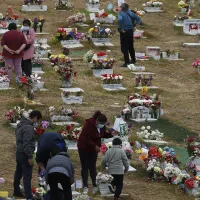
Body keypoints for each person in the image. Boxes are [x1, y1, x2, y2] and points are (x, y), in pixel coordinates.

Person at [77, 111, 117, 194]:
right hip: (83, 147)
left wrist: (111, 134)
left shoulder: (101, 126)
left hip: (93, 149)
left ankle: (94, 184)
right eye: (101, 123)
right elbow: (86, 138)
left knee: (92, 167)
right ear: (97, 121)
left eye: (103, 124)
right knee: (85, 166)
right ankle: (85, 186)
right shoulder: (89, 124)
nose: (102, 125)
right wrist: (95, 146)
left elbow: (102, 135)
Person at [13, 110, 42, 200]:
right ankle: (29, 196)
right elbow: (27, 143)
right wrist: (30, 157)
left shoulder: (20, 124)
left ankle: (17, 190)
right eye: (37, 120)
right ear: (35, 118)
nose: (37, 122)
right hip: (25, 154)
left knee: (18, 172)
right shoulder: (29, 128)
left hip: (19, 152)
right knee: (27, 175)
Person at [118, 3, 142, 67]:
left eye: (120, 7)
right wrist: (134, 26)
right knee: (130, 46)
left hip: (125, 30)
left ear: (122, 8)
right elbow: (138, 19)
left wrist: (121, 28)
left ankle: (127, 62)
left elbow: (120, 20)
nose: (119, 7)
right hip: (130, 31)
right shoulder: (130, 12)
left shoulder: (121, 13)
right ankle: (133, 60)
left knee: (124, 47)